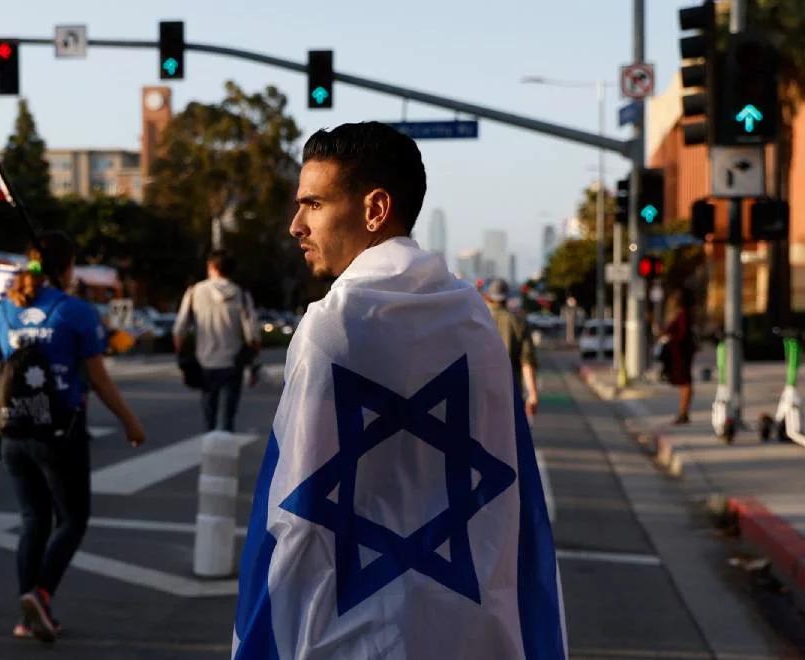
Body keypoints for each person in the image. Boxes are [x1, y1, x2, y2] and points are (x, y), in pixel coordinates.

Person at [232, 123, 564, 658]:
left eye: (313, 204)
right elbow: (513, 497)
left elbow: (295, 508)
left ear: (374, 208)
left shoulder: (332, 325)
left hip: (355, 633)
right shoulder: (474, 320)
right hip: (469, 627)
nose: (296, 225)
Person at [0, 231, 147, 644]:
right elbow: (98, 379)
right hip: (59, 432)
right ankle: (41, 593)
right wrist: (130, 423)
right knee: (72, 519)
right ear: (67, 268)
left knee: (33, 519)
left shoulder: (5, 311)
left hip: (11, 432)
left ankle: (25, 616)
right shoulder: (75, 311)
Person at [172, 250, 261, 432]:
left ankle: (210, 452)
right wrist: (253, 365)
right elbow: (253, 335)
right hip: (232, 364)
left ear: (211, 267)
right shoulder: (241, 294)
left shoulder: (194, 292)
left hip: (205, 363)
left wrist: (181, 359)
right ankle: (225, 455)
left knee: (209, 417)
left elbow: (179, 329)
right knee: (227, 418)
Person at [484, 278, 540, 418]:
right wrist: (532, 395)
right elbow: (527, 361)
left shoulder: (477, 321)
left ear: (487, 296)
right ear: (507, 297)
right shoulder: (518, 322)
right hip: (511, 395)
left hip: (481, 397)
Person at [662, 287, 697, 424]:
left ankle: (683, 412)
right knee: (683, 382)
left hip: (682, 352)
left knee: (685, 382)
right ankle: (683, 412)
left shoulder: (683, 315)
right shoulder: (680, 314)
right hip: (679, 352)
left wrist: (670, 336)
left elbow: (682, 335)